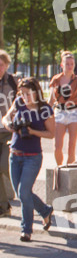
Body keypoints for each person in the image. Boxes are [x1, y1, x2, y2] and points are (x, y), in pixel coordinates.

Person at [1, 78, 56, 242]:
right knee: (21, 194)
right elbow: (5, 118)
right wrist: (10, 125)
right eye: (22, 93)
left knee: (24, 192)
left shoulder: (44, 109)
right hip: (14, 155)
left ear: (36, 92)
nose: (25, 97)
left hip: (32, 157)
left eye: (28, 93)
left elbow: (51, 134)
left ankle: (26, 230)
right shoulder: (19, 103)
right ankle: (45, 210)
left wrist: (32, 131)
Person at [48, 50, 77, 167]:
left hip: (74, 112)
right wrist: (45, 113)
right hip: (59, 112)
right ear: (62, 65)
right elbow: (51, 100)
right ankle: (59, 168)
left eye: (72, 64)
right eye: (67, 64)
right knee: (57, 146)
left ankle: (69, 170)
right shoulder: (56, 80)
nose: (69, 66)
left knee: (71, 146)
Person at [0, 51, 18, 217]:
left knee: (5, 166)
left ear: (6, 66)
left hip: (8, 131)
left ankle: (25, 193)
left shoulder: (12, 81)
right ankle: (4, 207)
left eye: (1, 65)